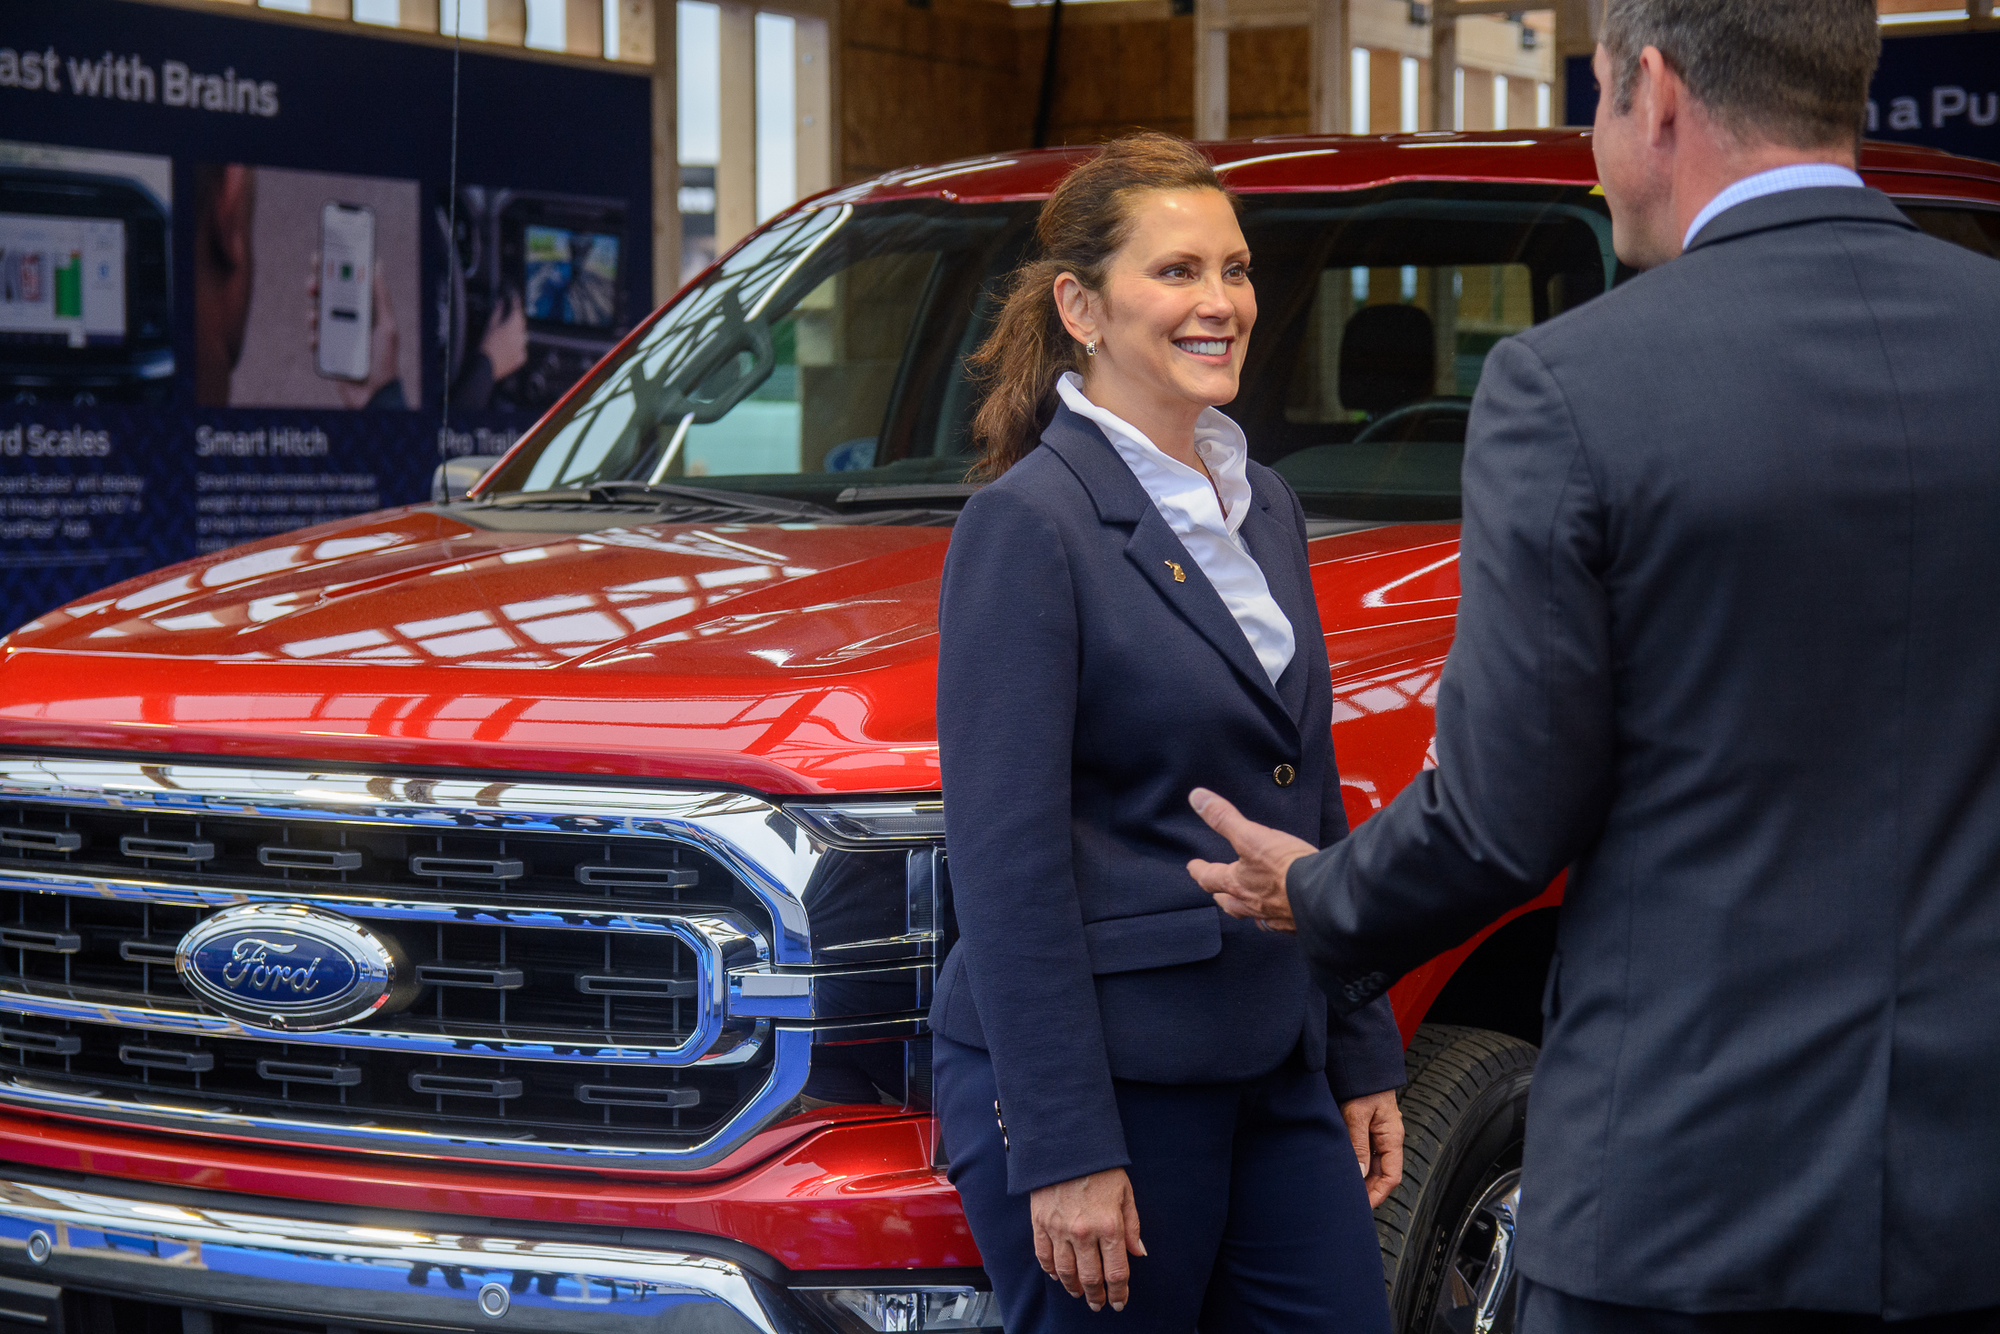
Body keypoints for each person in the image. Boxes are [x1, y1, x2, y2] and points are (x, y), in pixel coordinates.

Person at [1186, 1, 2000, 1330]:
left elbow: (1502, 817)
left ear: (1656, 93)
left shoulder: (1576, 387)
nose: (1597, 145)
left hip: (1683, 1204)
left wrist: (1314, 891)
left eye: (1598, 103)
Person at [930, 131, 1407, 1334]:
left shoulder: (1263, 500)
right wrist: (1063, 1141)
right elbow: (1003, 862)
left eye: (1233, 269)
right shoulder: (1027, 524)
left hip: (1274, 1057)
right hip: (1111, 1086)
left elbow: (1306, 787)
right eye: (1177, 271)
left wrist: (1357, 1044)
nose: (1220, 302)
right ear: (1080, 307)